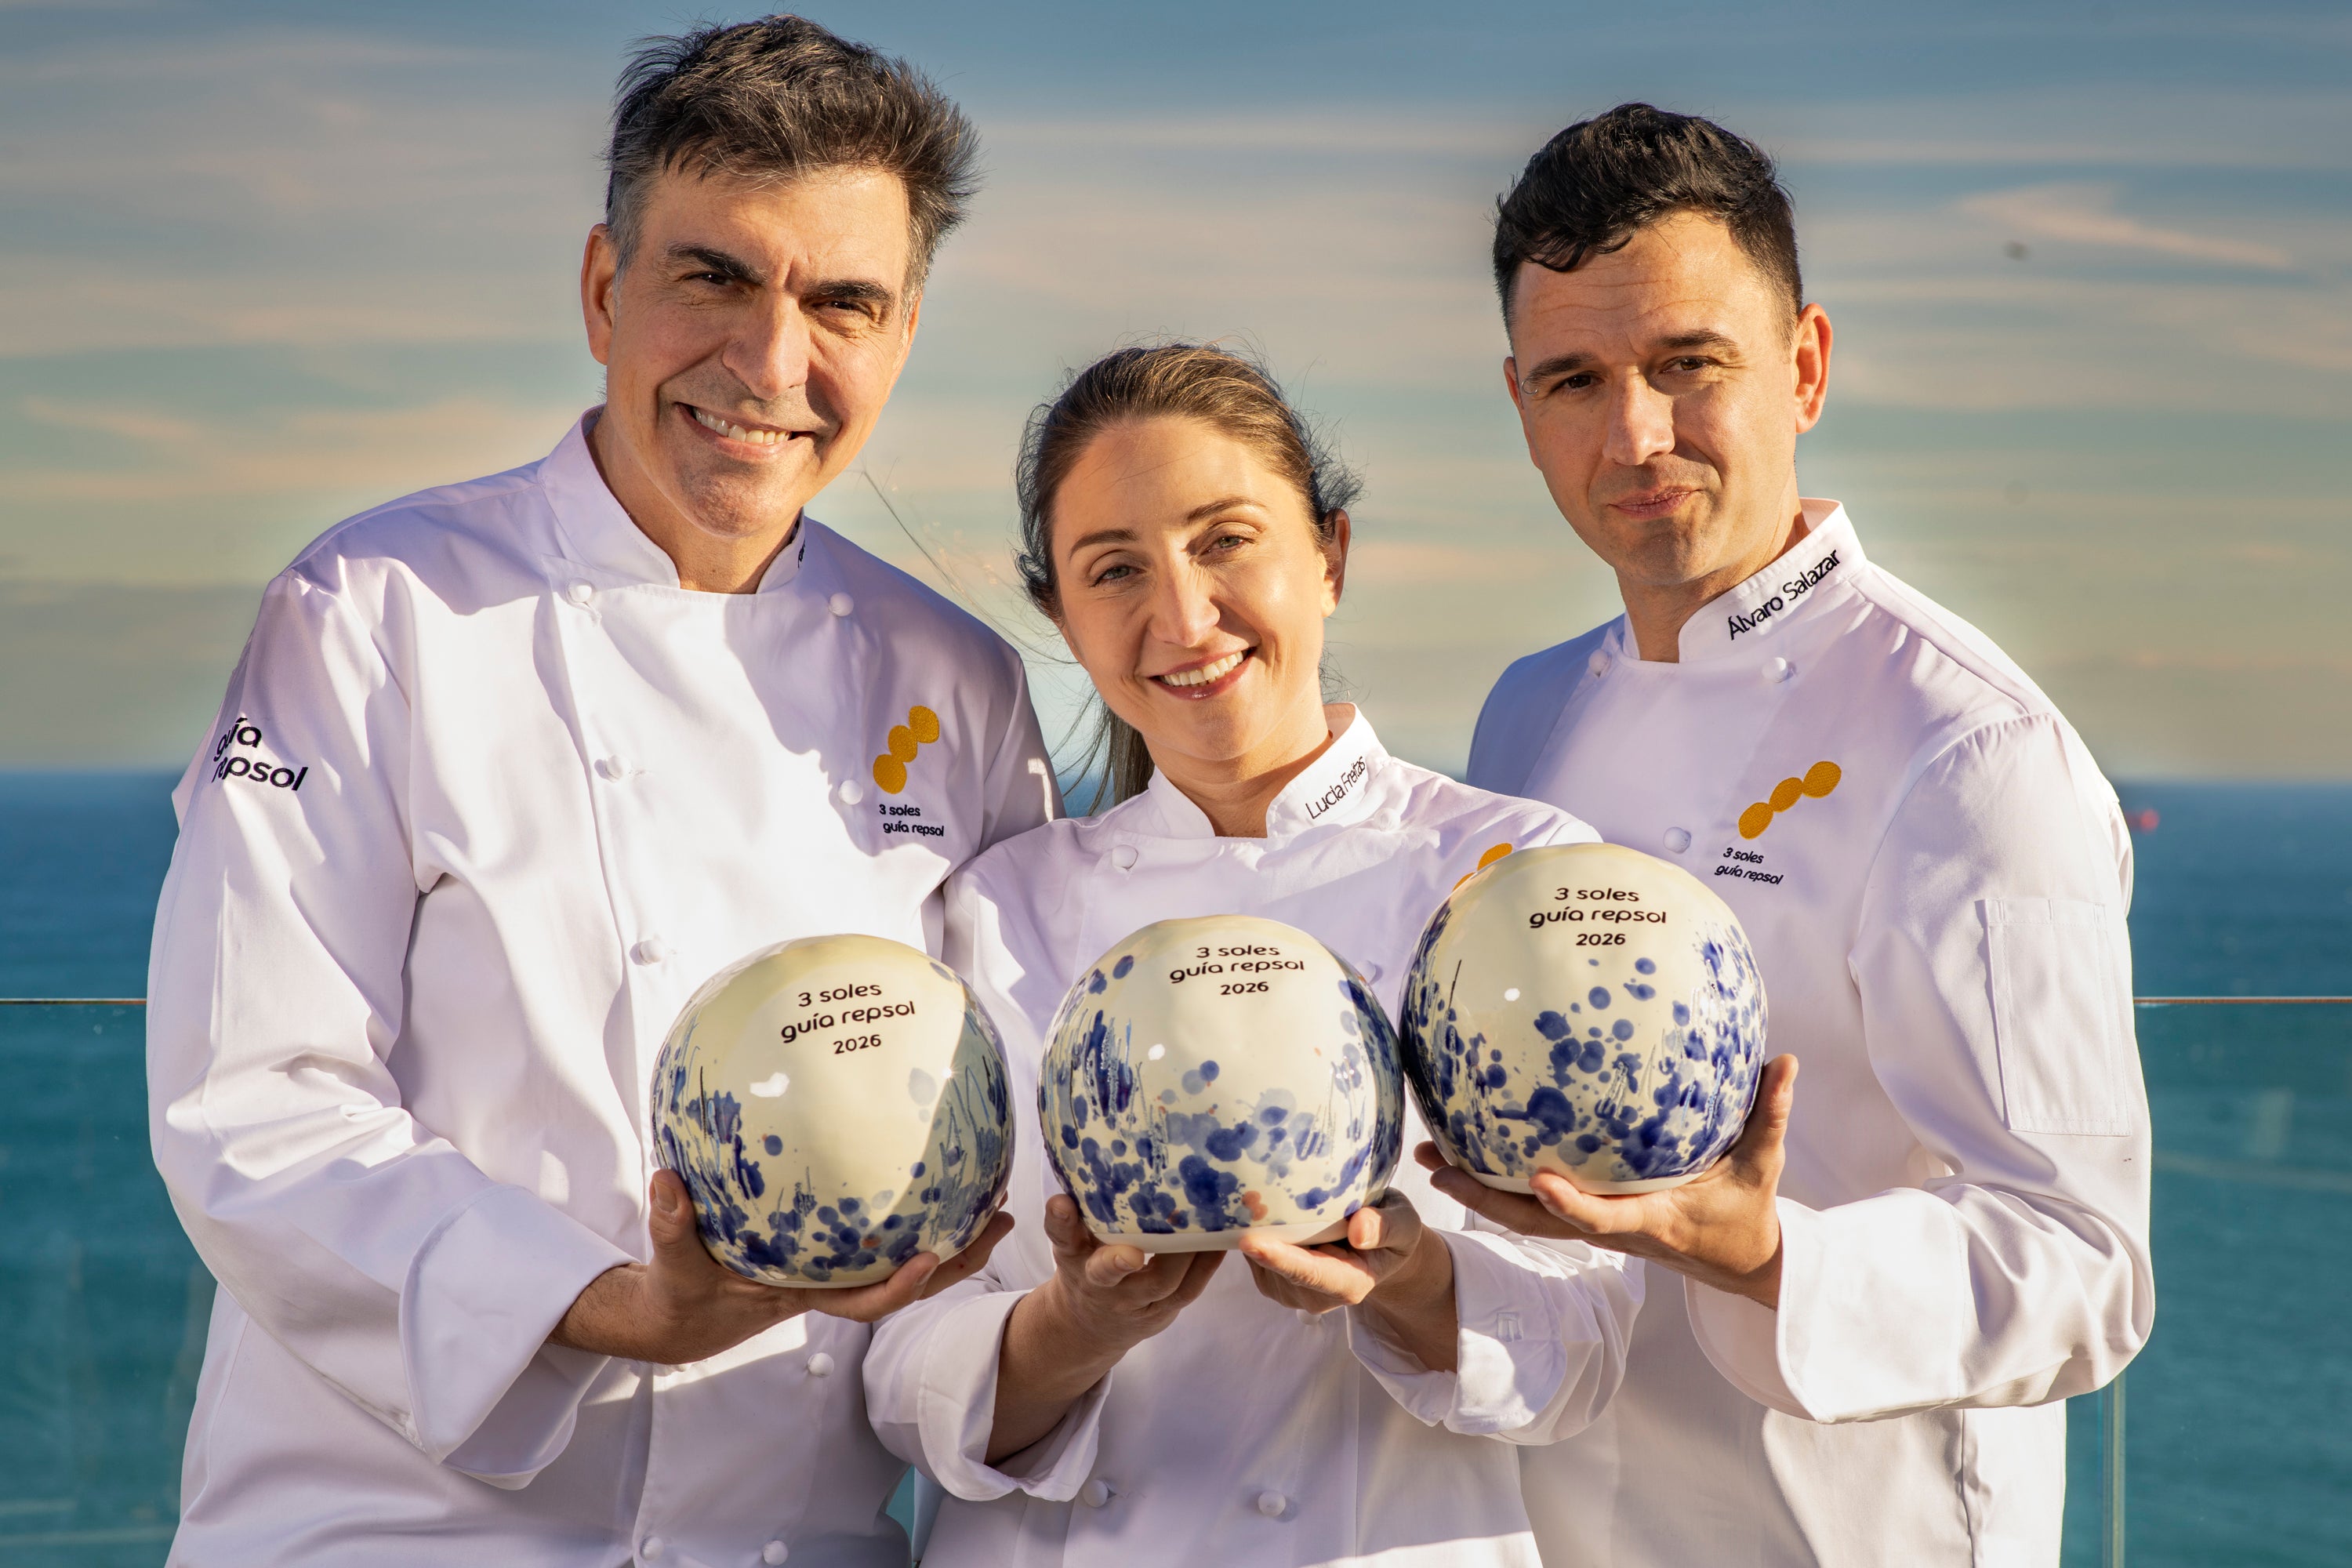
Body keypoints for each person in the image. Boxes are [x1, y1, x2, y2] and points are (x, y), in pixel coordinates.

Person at [145, 19, 1051, 1566]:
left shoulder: (956, 680)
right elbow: (256, 1100)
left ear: (903, 334)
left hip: (790, 1537)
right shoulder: (374, 609)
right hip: (391, 1532)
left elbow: (998, 1146)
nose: (772, 364)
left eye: (841, 303)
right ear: (601, 290)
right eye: (714, 278)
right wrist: (612, 1304)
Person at [1439, 104, 2154, 1566]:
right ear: (1521, 406)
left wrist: (1768, 1254)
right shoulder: (1525, 712)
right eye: (1576, 381)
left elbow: (2086, 1266)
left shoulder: (1970, 750)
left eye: (1687, 364)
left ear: (1805, 368)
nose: (1635, 436)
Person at [862, 344, 1646, 1566]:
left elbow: (1591, 1344)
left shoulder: (1516, 879)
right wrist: (1075, 1326)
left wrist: (1407, 1279)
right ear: (1061, 615)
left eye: (1226, 541)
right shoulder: (997, 908)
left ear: (1330, 556)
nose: (1183, 618)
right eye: (1115, 570)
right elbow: (901, 1357)